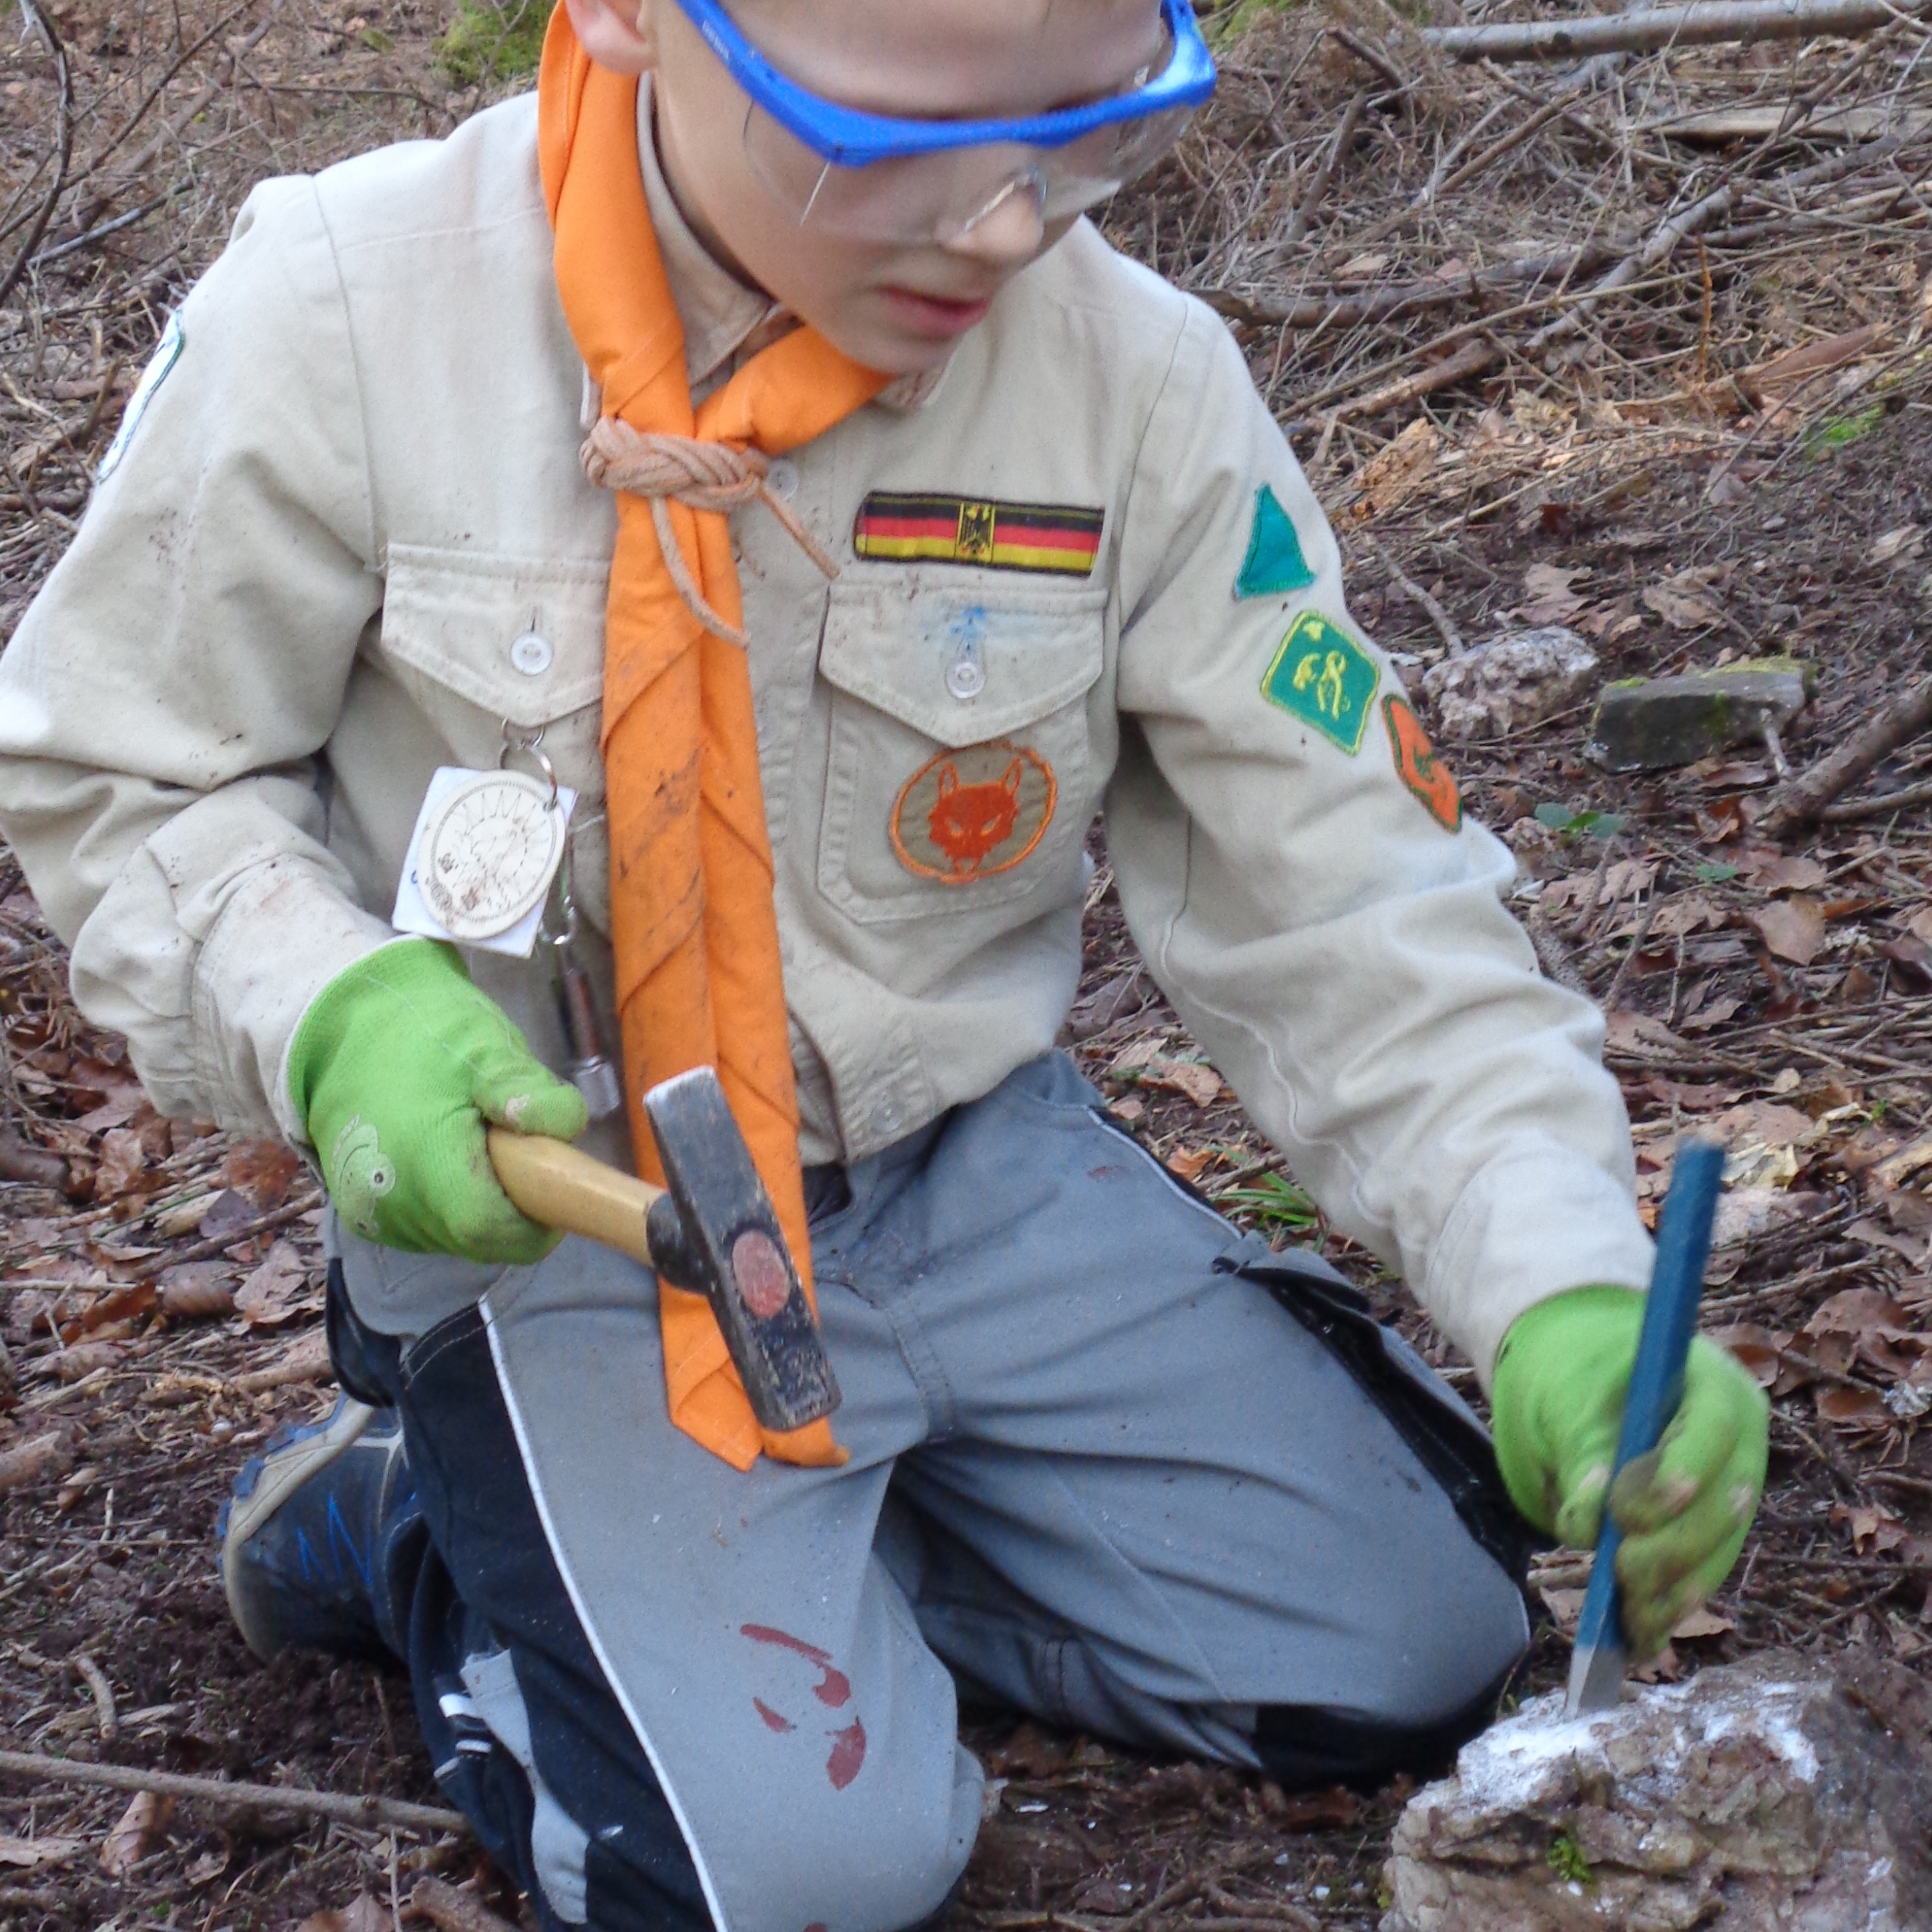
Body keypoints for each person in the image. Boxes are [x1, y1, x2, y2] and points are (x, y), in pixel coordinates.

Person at [0, 0, 1768, 1923]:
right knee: (797, 1880)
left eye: (1086, 133)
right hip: (573, 1223)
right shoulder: (348, 309)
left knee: (1415, 1646)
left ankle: (809, 1528)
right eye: (893, 148)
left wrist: (1564, 1283)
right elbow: (120, 774)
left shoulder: (1137, 389)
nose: (1008, 229)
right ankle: (413, 1514)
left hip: (966, 1178)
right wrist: (324, 1003)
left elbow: (1352, 896)